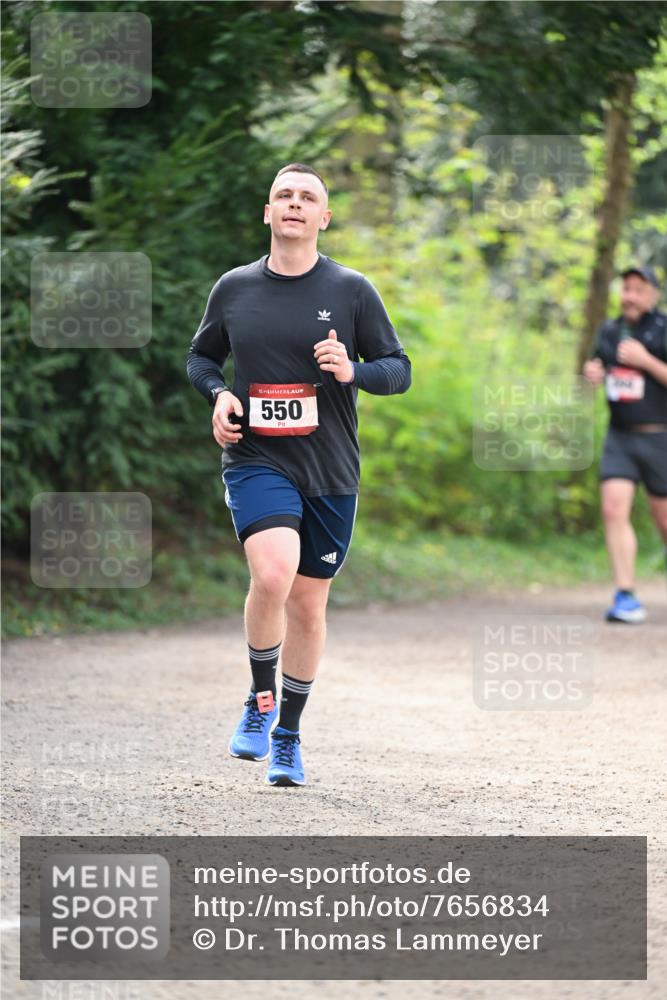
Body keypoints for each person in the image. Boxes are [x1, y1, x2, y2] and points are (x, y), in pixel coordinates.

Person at [186, 163, 411, 785]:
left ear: (323, 217)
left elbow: (398, 369)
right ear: (267, 212)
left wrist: (351, 371)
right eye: (283, 195)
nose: (294, 203)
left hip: (332, 468)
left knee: (309, 607)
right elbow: (202, 358)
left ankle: (287, 734)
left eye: (307, 197)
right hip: (257, 457)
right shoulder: (233, 288)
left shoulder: (352, 290)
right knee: (274, 572)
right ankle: (259, 703)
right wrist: (218, 397)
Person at [583, 265, 667, 623]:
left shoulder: (664, 329)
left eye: (638, 289)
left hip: (660, 438)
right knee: (613, 509)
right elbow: (593, 378)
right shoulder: (610, 330)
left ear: (654, 295)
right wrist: (592, 377)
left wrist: (647, 361)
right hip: (619, 437)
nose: (630, 296)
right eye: (626, 288)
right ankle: (625, 595)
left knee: (663, 520)